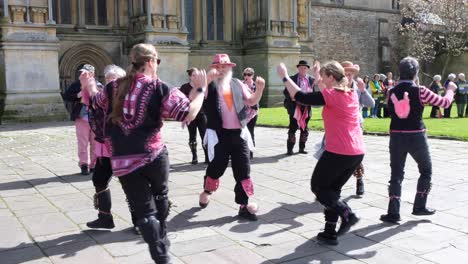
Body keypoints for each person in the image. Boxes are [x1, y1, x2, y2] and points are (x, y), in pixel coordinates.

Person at [86, 43, 207, 264]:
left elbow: (95, 102)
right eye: (157, 61)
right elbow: (187, 113)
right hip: (152, 155)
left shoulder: (113, 87)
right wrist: (200, 90)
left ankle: (161, 255)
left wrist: (89, 86)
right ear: (151, 61)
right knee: (160, 196)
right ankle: (163, 239)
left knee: (144, 212)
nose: (157, 66)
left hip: (123, 161)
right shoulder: (159, 87)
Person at [278, 61, 365, 246]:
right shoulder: (351, 93)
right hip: (356, 152)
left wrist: (285, 76)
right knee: (332, 191)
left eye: (325, 78)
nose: (322, 81)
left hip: (339, 151)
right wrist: (319, 74)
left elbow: (300, 96)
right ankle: (329, 232)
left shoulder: (332, 94)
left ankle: (348, 214)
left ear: (332, 78)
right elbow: (319, 89)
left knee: (318, 187)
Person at [380, 57, 456, 224]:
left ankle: (393, 212)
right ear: (415, 72)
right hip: (416, 136)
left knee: (396, 174)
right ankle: (419, 206)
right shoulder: (421, 90)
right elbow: (444, 103)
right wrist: (450, 89)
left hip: (396, 135)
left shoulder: (390, 91)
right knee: (426, 170)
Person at [198, 54, 265, 221]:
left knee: (243, 169)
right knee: (217, 167)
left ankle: (244, 205)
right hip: (219, 135)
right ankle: (207, 191)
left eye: (224, 66)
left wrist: (260, 89)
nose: (221, 69)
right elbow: (198, 96)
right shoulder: (209, 85)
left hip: (238, 134)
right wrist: (206, 80)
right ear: (213, 68)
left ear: (230, 68)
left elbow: (250, 101)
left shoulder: (237, 84)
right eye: (218, 66)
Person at [85, 65, 140, 234]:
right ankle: (105, 217)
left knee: (130, 186)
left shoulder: (126, 97)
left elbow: (97, 100)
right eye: (108, 79)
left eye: (114, 79)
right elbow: (93, 104)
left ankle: (139, 222)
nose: (110, 82)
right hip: (105, 149)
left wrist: (90, 85)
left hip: (122, 149)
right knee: (99, 180)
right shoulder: (105, 95)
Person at [341, 61, 375, 196]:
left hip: (355, 127)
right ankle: (332, 186)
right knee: (337, 157)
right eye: (346, 74)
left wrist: (363, 90)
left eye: (351, 73)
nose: (349, 76)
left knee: (357, 156)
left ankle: (359, 181)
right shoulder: (337, 88)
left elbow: (371, 104)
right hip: (340, 127)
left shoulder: (358, 87)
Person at [62, 64, 100, 175]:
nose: (83, 74)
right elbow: (66, 96)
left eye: (86, 72)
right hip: (81, 118)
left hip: (95, 118)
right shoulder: (76, 84)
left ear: (92, 74)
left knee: (95, 143)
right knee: (82, 143)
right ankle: (84, 165)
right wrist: (78, 95)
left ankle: (94, 165)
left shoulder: (98, 85)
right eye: (81, 72)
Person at [283, 60, 315, 155]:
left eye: (305, 68)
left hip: (306, 107)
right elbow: (286, 91)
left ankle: (302, 148)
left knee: (304, 128)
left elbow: (314, 93)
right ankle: (290, 150)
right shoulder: (292, 78)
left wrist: (311, 95)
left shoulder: (311, 80)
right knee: (293, 128)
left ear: (307, 69)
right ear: (298, 68)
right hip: (295, 106)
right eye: (301, 67)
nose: (303, 69)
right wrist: (291, 97)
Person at [180, 67, 208, 164]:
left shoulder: (202, 86)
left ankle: (207, 156)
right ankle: (194, 156)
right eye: (194, 75)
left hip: (202, 114)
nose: (196, 77)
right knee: (192, 136)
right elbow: (181, 101)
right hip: (190, 115)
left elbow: (207, 99)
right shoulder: (184, 87)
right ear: (190, 77)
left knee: (204, 135)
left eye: (197, 75)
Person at [243, 67, 259, 159]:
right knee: (241, 132)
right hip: (242, 111)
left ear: (252, 75)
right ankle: (242, 151)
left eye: (249, 74)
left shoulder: (255, 85)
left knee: (250, 132)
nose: (246, 76)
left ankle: (250, 152)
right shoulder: (241, 84)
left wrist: (248, 90)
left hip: (252, 112)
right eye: (245, 74)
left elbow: (255, 96)